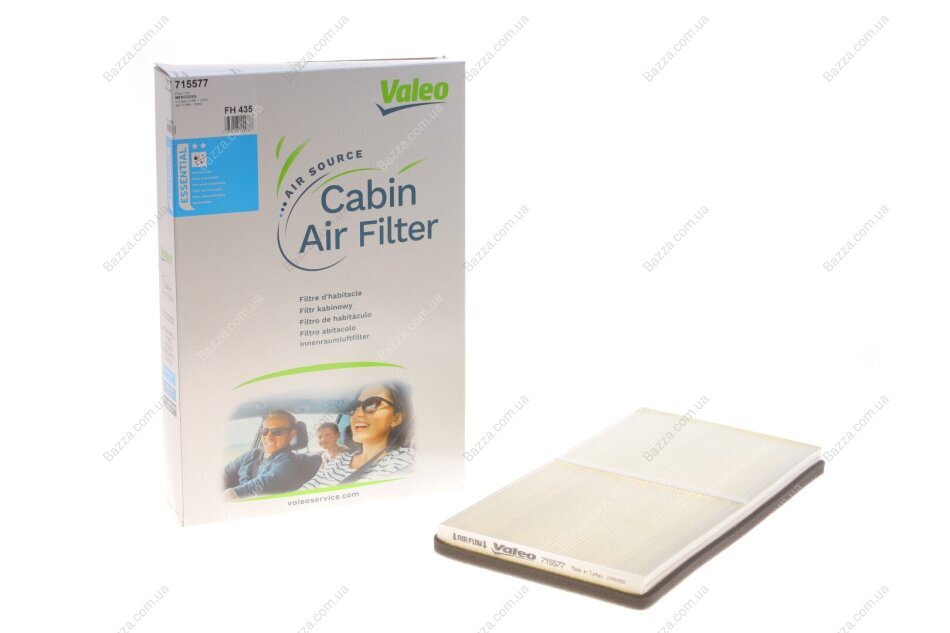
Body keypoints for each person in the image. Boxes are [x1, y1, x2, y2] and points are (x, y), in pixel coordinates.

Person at [300, 383, 414, 489]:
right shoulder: (339, 461)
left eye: (372, 404)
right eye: (354, 407)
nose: (357, 414)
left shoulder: (404, 462)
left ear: (396, 418)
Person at [224, 410, 313, 500]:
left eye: (277, 432)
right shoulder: (253, 454)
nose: (268, 437)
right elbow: (226, 472)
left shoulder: (289, 463)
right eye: (264, 431)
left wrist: (228, 496)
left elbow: (260, 486)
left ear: (292, 434)